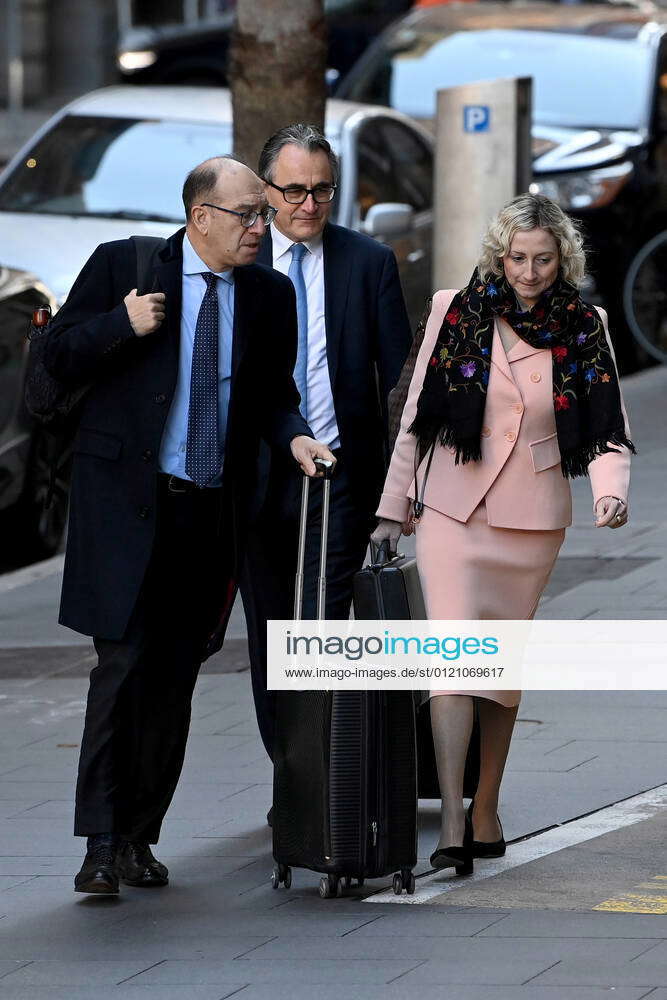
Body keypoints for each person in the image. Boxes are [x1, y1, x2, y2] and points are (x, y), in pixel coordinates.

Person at [43, 156, 335, 896]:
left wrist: (294, 434)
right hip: (125, 509)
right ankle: (100, 845)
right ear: (201, 216)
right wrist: (122, 323)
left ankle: (141, 836)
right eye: (248, 215)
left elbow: (271, 394)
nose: (260, 228)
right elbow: (55, 357)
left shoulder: (267, 295)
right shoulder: (125, 267)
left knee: (173, 681)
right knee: (121, 670)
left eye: (262, 215)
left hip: (207, 515)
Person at [372, 193, 634, 876]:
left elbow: (607, 422)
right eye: (517, 258)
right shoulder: (453, 311)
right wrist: (390, 505)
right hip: (452, 512)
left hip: (529, 522)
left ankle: (485, 804)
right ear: (499, 254)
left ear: (561, 259)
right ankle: (454, 819)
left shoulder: (584, 325)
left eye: (542, 259)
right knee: (453, 661)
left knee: (498, 673)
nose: (527, 272)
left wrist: (609, 494)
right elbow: (417, 422)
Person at [240, 124, 412, 769]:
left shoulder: (368, 261)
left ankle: (328, 773)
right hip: (256, 478)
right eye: (293, 191)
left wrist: (403, 485)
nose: (308, 205)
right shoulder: (242, 260)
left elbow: (399, 382)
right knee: (270, 630)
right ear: (265, 191)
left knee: (327, 624)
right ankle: (289, 769)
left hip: (340, 475)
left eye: (322, 190)